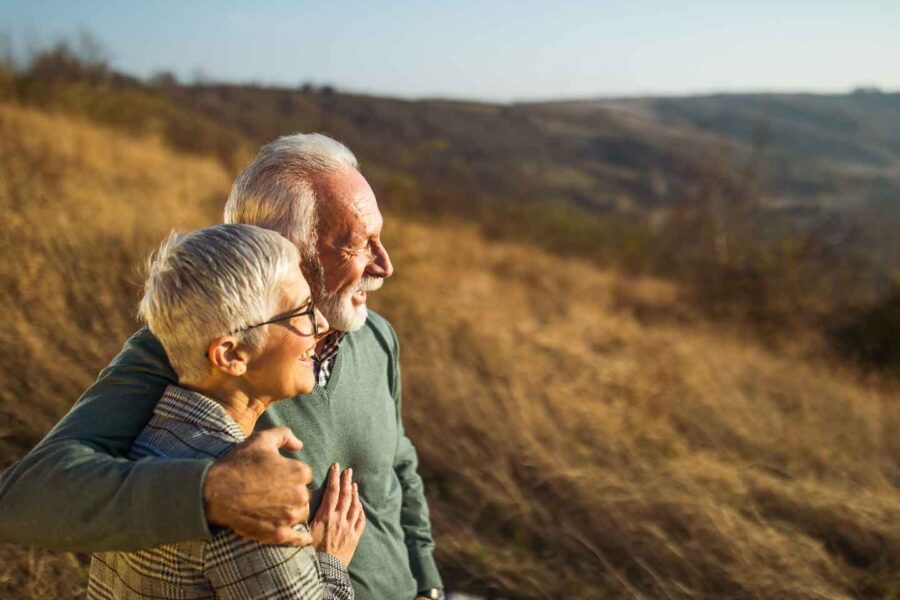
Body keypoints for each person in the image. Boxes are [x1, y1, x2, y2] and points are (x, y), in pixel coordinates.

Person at [0, 134, 443, 600]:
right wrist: (212, 490)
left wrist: (428, 584)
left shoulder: (377, 336)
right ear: (278, 247)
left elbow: (399, 467)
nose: (386, 265)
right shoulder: (186, 347)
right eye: (358, 243)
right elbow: (26, 499)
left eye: (380, 237)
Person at [88, 224, 361, 599]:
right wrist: (330, 561)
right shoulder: (253, 500)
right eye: (301, 312)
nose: (322, 325)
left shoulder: (140, 441)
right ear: (231, 355)